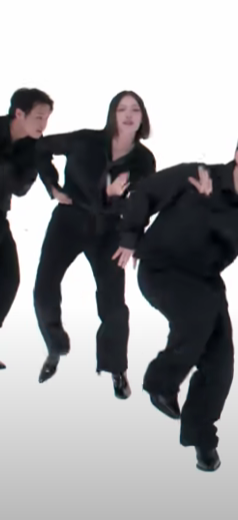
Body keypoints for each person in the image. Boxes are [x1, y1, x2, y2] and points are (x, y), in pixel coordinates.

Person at [112, 124, 238, 471]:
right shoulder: (197, 175)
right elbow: (145, 192)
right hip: (162, 268)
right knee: (199, 316)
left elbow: (232, 232)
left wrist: (207, 206)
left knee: (221, 361)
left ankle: (201, 438)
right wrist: (130, 235)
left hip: (204, 279)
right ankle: (161, 381)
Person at [33, 91, 157, 397]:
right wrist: (53, 186)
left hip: (109, 230)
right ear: (112, 114)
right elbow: (39, 147)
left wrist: (130, 239)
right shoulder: (85, 140)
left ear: (142, 117)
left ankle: (116, 368)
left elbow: (141, 204)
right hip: (69, 221)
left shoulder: (143, 160)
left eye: (135, 109)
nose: (128, 115)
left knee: (114, 303)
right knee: (44, 289)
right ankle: (56, 346)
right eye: (122, 108)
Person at [0, 88, 53, 370]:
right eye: (39, 117)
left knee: (8, 278)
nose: (43, 124)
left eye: (47, 118)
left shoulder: (34, 146)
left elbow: (21, 189)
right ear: (18, 114)